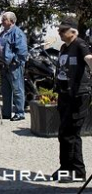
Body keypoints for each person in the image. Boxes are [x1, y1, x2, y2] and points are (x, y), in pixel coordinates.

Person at [52, 17, 92, 183]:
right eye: (59, 30)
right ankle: (65, 167)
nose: (60, 33)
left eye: (63, 30)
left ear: (73, 32)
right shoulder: (64, 47)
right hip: (65, 94)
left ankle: (77, 170)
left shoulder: (80, 45)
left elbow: (89, 59)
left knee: (71, 133)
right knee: (63, 132)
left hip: (78, 95)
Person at [0, 12, 28, 121]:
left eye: (4, 19)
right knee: (5, 90)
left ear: (12, 21)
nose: (2, 21)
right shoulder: (3, 33)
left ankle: (20, 113)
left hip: (13, 66)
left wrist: (15, 61)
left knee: (17, 89)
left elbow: (22, 50)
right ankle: (6, 113)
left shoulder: (17, 33)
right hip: (4, 65)